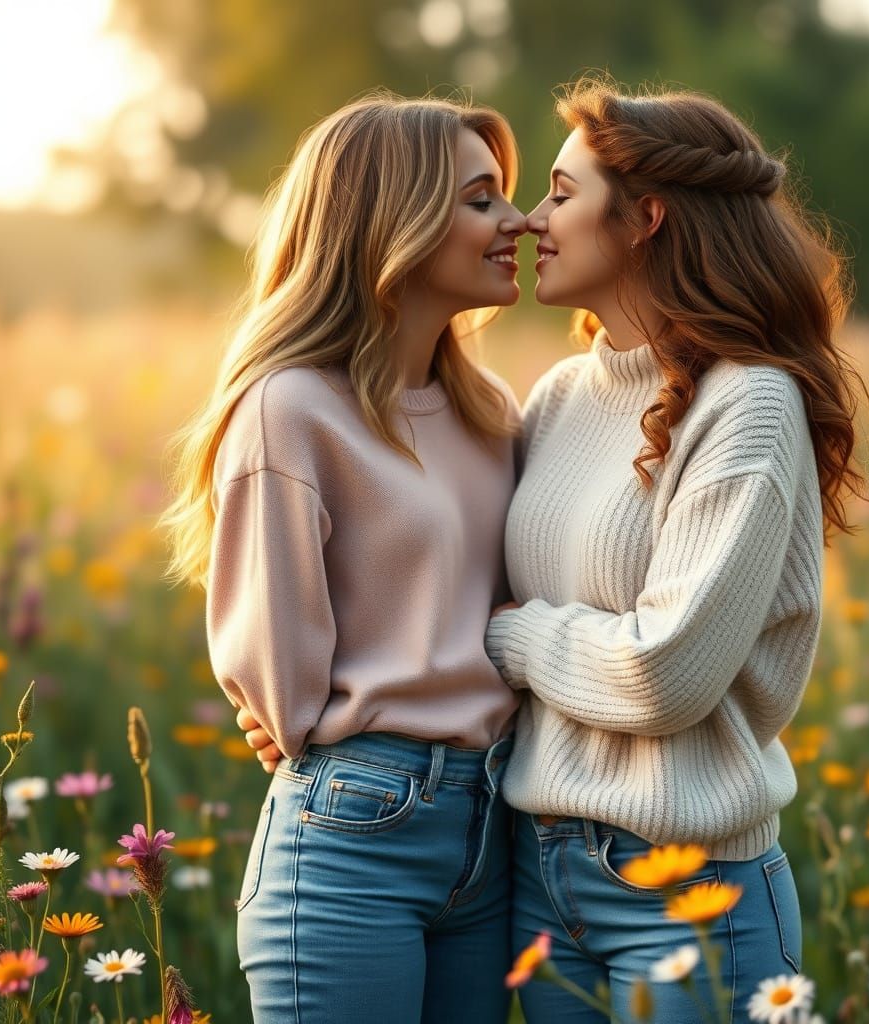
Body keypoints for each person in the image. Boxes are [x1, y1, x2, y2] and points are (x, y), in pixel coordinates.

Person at [485, 79, 867, 1023]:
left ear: (646, 218)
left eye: (562, 195)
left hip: (692, 892)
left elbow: (667, 674)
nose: (532, 220)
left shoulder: (750, 403)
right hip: (540, 877)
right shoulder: (558, 396)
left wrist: (516, 638)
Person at [161, 92, 527, 1024]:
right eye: (481, 200)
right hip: (356, 840)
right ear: (393, 224)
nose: (518, 221)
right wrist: (322, 734)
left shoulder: (493, 412)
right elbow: (277, 685)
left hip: (493, 829)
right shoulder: (291, 410)